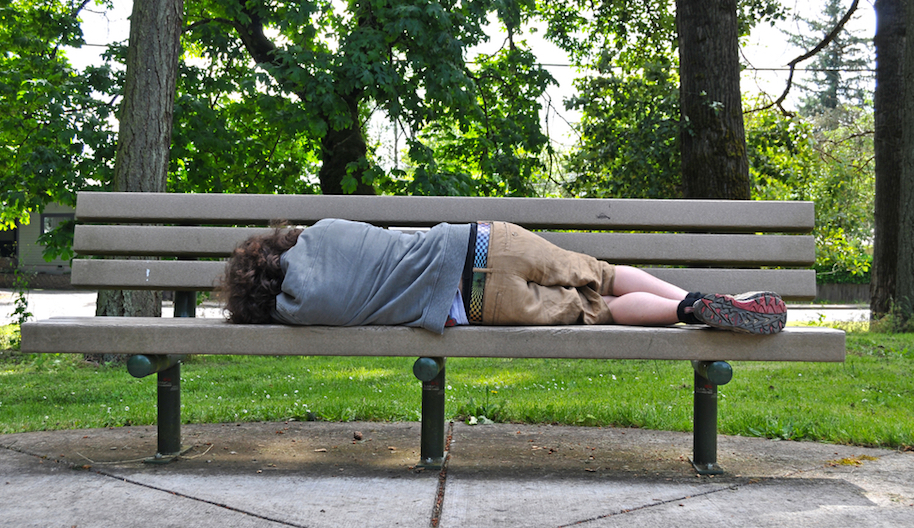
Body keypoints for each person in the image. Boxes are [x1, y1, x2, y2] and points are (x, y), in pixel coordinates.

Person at [221, 219, 787, 335]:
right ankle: (702, 300)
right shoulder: (322, 232)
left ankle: (688, 316)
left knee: (600, 312)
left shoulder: (295, 309)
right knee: (605, 277)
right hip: (479, 241)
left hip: (473, 304)